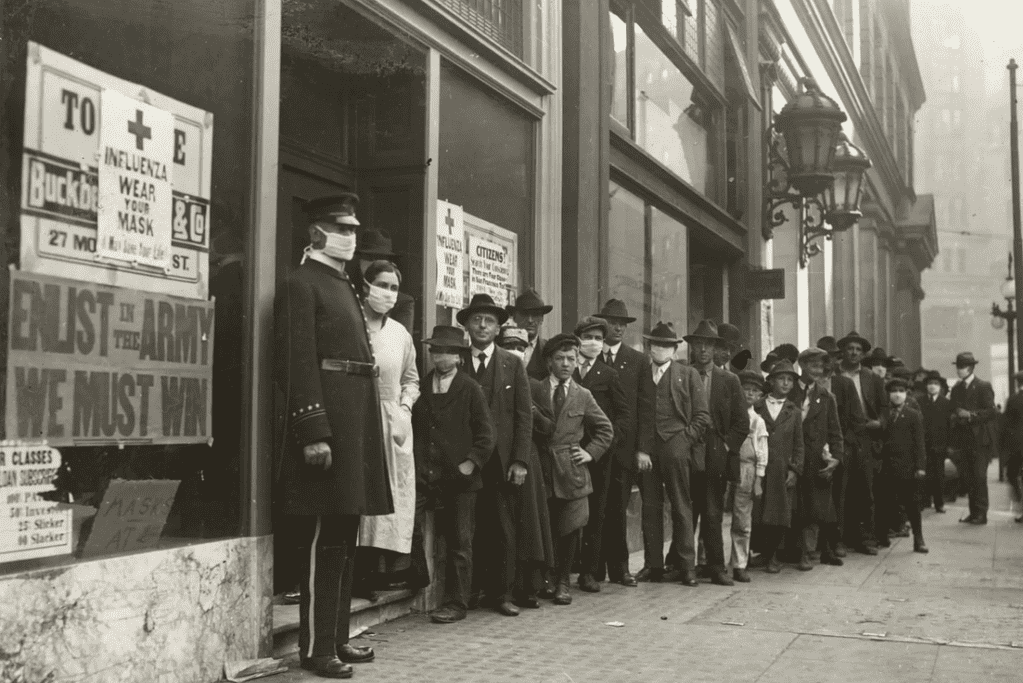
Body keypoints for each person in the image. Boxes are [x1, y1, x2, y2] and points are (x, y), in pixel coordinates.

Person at [273, 194, 390, 679]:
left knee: (344, 533)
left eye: (354, 230)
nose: (350, 237)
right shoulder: (302, 285)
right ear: (316, 233)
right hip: (329, 427)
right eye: (341, 228)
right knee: (325, 537)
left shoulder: (340, 285)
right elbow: (296, 360)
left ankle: (337, 638)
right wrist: (312, 428)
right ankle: (317, 650)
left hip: (355, 422)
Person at [413, 326, 496, 624]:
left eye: (447, 351)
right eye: (435, 350)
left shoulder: (470, 389)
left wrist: (470, 463)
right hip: (427, 475)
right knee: (409, 523)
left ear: (459, 356)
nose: (440, 356)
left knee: (459, 541)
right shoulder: (422, 386)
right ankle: (415, 579)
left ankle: (456, 602)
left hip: (460, 480)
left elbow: (487, 436)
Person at [459, 294, 534, 616]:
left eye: (489, 320)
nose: (482, 326)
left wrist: (519, 460)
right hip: (467, 461)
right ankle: (470, 591)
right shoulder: (458, 361)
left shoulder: (511, 363)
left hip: (502, 462)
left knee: (502, 528)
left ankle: (501, 594)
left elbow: (523, 416)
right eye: (476, 319)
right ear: (467, 325)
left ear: (498, 326)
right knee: (467, 529)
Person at [530, 334, 614, 605]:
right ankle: (546, 580)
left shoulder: (583, 395)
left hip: (572, 472)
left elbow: (605, 429)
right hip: (542, 468)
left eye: (571, 359)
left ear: (577, 362)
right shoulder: (536, 390)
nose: (566, 364)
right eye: (559, 359)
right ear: (548, 362)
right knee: (546, 528)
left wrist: (589, 453)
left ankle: (564, 582)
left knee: (570, 528)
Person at [356, 261, 421, 596]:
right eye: (382, 285)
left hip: (392, 420)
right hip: (358, 416)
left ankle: (375, 573)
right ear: (366, 286)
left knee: (389, 498)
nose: (388, 293)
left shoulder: (399, 333)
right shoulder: (353, 325)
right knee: (359, 493)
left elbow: (412, 379)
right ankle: (354, 574)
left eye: (394, 288)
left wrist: (405, 408)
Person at [634, 322, 710, 586]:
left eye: (667, 345)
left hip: (676, 446)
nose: (661, 349)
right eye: (656, 344)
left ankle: (686, 566)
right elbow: (637, 414)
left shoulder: (687, 375)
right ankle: (652, 565)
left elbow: (702, 416)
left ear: (675, 349)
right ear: (648, 347)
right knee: (650, 508)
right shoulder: (642, 373)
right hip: (648, 450)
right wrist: (641, 449)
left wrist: (684, 440)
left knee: (681, 505)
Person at [683, 320, 749, 587]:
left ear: (715, 349)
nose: (702, 350)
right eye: (698, 344)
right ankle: (683, 565)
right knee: (685, 510)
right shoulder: (682, 374)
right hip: (687, 448)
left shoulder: (729, 380)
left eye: (708, 345)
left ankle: (716, 568)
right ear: (692, 347)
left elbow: (741, 423)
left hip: (715, 450)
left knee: (712, 512)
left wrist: (724, 446)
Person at [496, 324, 556, 609]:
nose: (515, 352)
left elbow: (548, 427)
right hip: (498, 458)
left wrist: (531, 410)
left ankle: (528, 586)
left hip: (526, 459)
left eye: (521, 348)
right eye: (510, 346)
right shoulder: (494, 375)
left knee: (528, 526)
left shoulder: (533, 384)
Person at [572, 316, 633, 593]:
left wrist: (605, 444)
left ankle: (590, 571)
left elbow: (623, 415)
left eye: (599, 338)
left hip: (599, 454)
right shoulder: (567, 368)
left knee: (597, 512)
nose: (593, 343)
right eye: (588, 337)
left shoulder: (609, 374)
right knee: (570, 511)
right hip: (570, 452)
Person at [593, 299, 646, 587]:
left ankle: (620, 568)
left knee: (619, 508)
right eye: (613, 323)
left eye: (622, 324)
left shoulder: (637, 361)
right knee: (596, 507)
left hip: (624, 448)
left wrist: (642, 448)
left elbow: (645, 406)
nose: (618, 328)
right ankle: (595, 568)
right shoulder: (589, 356)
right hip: (595, 448)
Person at [837, 331, 887, 555]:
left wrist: (880, 423)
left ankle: (865, 538)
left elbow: (884, 407)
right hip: (841, 436)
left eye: (858, 349)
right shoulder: (835, 375)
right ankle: (838, 539)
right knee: (841, 489)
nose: (854, 353)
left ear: (863, 353)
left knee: (865, 490)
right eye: (850, 348)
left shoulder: (871, 378)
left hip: (865, 437)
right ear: (843, 351)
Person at [753, 360, 805, 574]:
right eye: (781, 378)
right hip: (759, 469)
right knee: (758, 512)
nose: (785, 383)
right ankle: (761, 553)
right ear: (771, 381)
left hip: (782, 469)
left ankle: (774, 555)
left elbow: (799, 444)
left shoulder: (794, 411)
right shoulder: (757, 406)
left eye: (790, 380)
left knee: (778, 514)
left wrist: (795, 470)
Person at [794, 348, 844, 569]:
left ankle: (816, 551)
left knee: (817, 508)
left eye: (821, 367)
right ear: (802, 366)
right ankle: (794, 552)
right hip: (793, 458)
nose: (817, 371)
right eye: (813, 366)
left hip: (816, 459)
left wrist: (836, 458)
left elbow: (835, 432)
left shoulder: (826, 397)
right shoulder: (788, 391)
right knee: (795, 507)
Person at [878, 377, 929, 553]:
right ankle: (883, 536)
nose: (897, 395)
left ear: (907, 394)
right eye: (894, 391)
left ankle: (919, 538)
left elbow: (919, 443)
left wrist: (920, 467)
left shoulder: (913, 415)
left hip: (907, 467)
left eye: (901, 391)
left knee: (912, 504)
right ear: (888, 394)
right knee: (885, 502)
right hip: (886, 467)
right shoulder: (883, 414)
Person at [948, 352, 998, 525]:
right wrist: (956, 415)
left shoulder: (983, 386)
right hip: (963, 439)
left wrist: (970, 415)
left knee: (979, 477)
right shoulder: (956, 389)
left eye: (962, 367)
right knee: (968, 477)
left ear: (971, 368)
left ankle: (981, 513)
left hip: (980, 440)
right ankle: (973, 512)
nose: (959, 370)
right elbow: (953, 408)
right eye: (958, 366)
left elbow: (992, 411)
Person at [732, 371, 769, 582]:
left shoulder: (758, 421)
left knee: (742, 520)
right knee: (714, 515)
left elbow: (762, 453)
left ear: (760, 397)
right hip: (727, 467)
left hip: (747, 469)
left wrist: (758, 480)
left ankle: (739, 564)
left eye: (755, 391)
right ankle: (707, 561)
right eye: (746, 389)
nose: (750, 393)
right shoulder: (730, 414)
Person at [351, 229, 415, 333]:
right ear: (360, 260)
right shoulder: (350, 293)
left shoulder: (402, 302)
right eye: (368, 257)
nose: (374, 263)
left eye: (380, 258)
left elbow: (400, 342)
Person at [920, 370, 952, 513]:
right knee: (924, 473)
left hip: (940, 445)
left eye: (935, 384)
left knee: (939, 475)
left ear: (940, 386)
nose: (932, 386)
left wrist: (948, 445)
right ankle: (925, 501)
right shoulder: (920, 402)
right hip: (923, 445)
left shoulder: (946, 403)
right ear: (926, 385)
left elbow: (949, 426)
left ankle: (939, 503)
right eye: (930, 383)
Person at [509, 287, 554, 380]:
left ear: (542, 319)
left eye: (535, 315)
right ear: (515, 318)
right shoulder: (503, 348)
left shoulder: (549, 350)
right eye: (524, 314)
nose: (530, 320)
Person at [1001, 372, 1023, 523]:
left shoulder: (1014, 399)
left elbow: (1006, 424)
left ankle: (1020, 505)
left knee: (1012, 474)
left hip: (1017, 445)